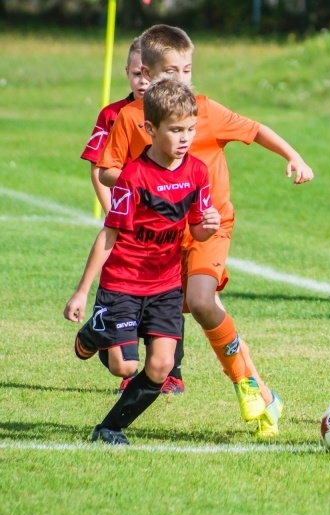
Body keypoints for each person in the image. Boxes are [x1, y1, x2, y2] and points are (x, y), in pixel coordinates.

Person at [97, 24, 314, 439]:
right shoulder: (130, 118)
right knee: (153, 312)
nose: (184, 81)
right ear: (148, 74)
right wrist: (141, 181)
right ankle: (261, 393)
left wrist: (293, 156)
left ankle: (248, 383)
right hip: (158, 236)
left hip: (210, 225)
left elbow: (255, 129)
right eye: (173, 72)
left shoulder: (206, 111)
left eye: (188, 71)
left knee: (200, 300)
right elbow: (107, 170)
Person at [64, 77, 221, 445]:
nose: (185, 138)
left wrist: (209, 226)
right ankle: (93, 330)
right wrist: (81, 291)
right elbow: (109, 234)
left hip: (165, 284)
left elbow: (197, 231)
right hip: (123, 281)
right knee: (126, 366)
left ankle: (110, 428)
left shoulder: (197, 172)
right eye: (176, 130)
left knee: (162, 365)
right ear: (150, 129)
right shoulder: (133, 176)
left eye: (191, 129)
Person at [80, 38, 148, 217]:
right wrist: (113, 214)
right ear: (127, 72)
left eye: (149, 74)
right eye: (136, 74)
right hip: (125, 207)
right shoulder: (111, 115)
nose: (143, 81)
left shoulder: (173, 114)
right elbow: (97, 167)